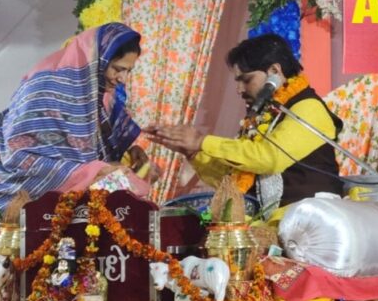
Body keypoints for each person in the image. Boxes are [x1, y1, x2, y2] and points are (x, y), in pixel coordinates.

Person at [0, 23, 151, 256]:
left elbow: (96, 151)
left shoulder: (96, 96)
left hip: (67, 202)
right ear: (100, 60)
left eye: (128, 71)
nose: (122, 78)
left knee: (126, 185)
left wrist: (129, 155)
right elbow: (18, 156)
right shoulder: (44, 86)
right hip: (8, 191)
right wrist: (94, 172)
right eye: (118, 69)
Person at [147, 34, 344, 221]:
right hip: (273, 225)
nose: (239, 89)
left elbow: (269, 158)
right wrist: (193, 153)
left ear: (275, 72)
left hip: (313, 222)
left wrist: (202, 142)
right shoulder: (266, 115)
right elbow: (233, 179)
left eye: (246, 80)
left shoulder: (308, 107)